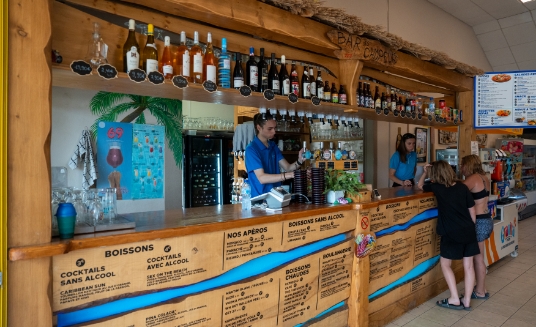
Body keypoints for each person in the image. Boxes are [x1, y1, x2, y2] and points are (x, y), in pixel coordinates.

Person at [418, 161, 478, 311]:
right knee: (469, 266)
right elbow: (472, 213)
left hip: (450, 232)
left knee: (446, 264)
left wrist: (424, 172)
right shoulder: (463, 187)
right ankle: (467, 301)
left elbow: (419, 186)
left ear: (435, 174)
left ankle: (454, 298)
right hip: (468, 230)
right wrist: (469, 228)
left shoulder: (437, 188)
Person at [245, 113, 304, 197]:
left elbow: (288, 168)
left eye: (275, 128)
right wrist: (290, 175)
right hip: (260, 200)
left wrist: (300, 160)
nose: (274, 131)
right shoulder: (251, 149)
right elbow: (262, 178)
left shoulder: (273, 146)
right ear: (259, 128)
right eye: (270, 129)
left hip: (276, 197)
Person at [461, 154, 493, 300]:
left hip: (479, 222)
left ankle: (480, 291)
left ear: (468, 165)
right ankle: (482, 287)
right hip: (486, 219)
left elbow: (457, 191)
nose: (461, 168)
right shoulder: (483, 177)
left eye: (462, 165)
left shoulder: (473, 178)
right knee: (480, 257)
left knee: (478, 259)